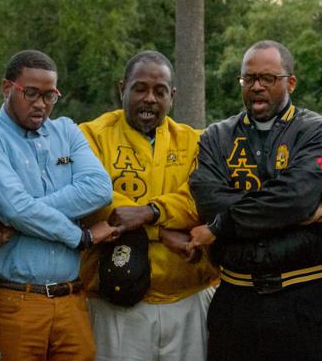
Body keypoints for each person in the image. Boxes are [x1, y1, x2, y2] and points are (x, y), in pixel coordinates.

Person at [188, 40, 322, 361]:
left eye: (268, 78)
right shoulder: (216, 136)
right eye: (249, 78)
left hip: (303, 301)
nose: (257, 86)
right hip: (235, 300)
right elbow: (209, 200)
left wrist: (225, 224)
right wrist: (285, 211)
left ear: (291, 82)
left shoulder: (316, 131)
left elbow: (296, 196)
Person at [0, 49, 115, 360]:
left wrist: (26, 213)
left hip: (71, 299)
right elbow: (14, 207)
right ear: (8, 88)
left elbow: (100, 189)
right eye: (31, 93)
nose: (41, 104)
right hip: (14, 301)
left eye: (50, 95)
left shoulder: (67, 130)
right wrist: (80, 237)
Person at [78, 51, 218, 361]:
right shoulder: (89, 136)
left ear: (173, 96)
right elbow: (95, 198)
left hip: (186, 298)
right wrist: (165, 232)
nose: (149, 98)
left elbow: (201, 199)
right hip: (114, 303)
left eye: (160, 91)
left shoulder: (196, 141)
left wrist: (150, 214)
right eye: (140, 88)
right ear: (122, 89)